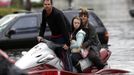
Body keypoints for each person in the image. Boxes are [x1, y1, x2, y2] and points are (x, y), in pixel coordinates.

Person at [37, 0, 71, 71]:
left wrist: (67, 43)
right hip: (54, 36)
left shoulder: (57, 14)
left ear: (51, 5)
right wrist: (40, 35)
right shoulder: (44, 12)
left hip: (63, 34)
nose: (47, 6)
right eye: (45, 4)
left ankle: (69, 71)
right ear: (43, 5)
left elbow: (64, 29)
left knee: (64, 54)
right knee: (51, 52)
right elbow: (43, 24)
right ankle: (56, 68)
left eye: (48, 4)